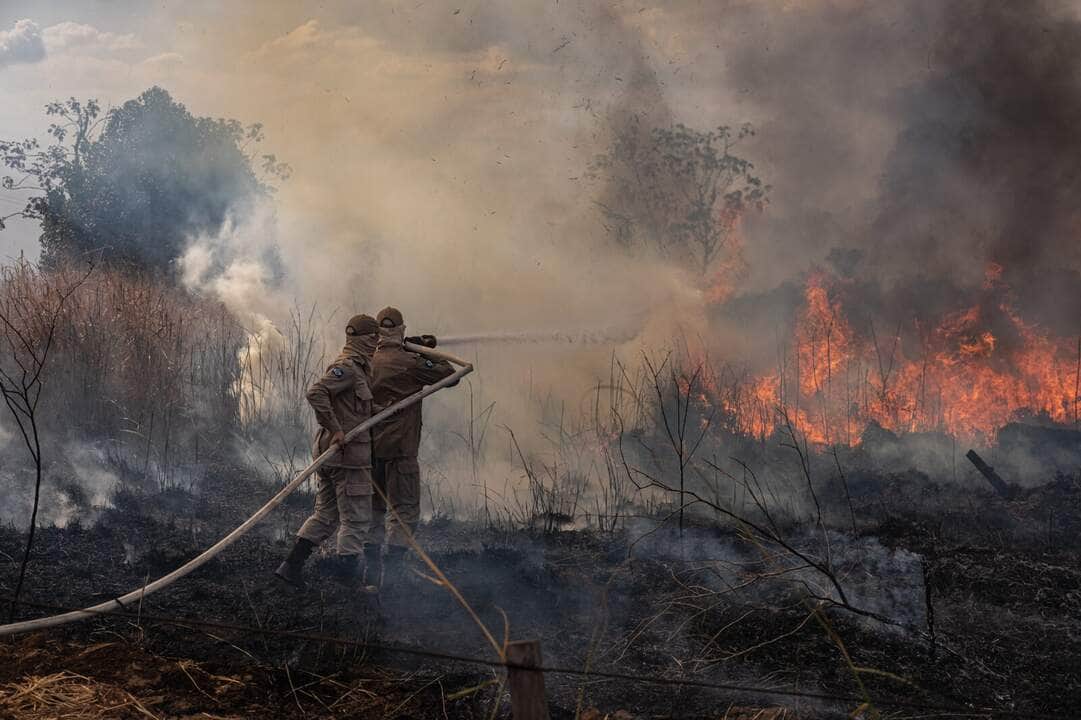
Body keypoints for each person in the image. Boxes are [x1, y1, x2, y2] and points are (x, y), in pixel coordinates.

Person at [274, 313, 380, 589]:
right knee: (355, 520)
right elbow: (315, 393)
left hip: (336, 457)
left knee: (325, 516)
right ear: (360, 338)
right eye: (372, 337)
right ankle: (349, 586)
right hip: (347, 459)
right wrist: (336, 429)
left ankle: (290, 567)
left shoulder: (360, 368)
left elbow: (352, 409)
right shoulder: (347, 368)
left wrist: (380, 411)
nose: (376, 343)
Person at [368, 306, 457, 582]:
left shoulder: (364, 361)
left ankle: (370, 572)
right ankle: (392, 573)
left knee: (373, 509)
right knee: (404, 509)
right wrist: (421, 351)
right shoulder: (410, 363)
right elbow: (450, 374)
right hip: (401, 450)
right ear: (402, 330)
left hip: (368, 450)